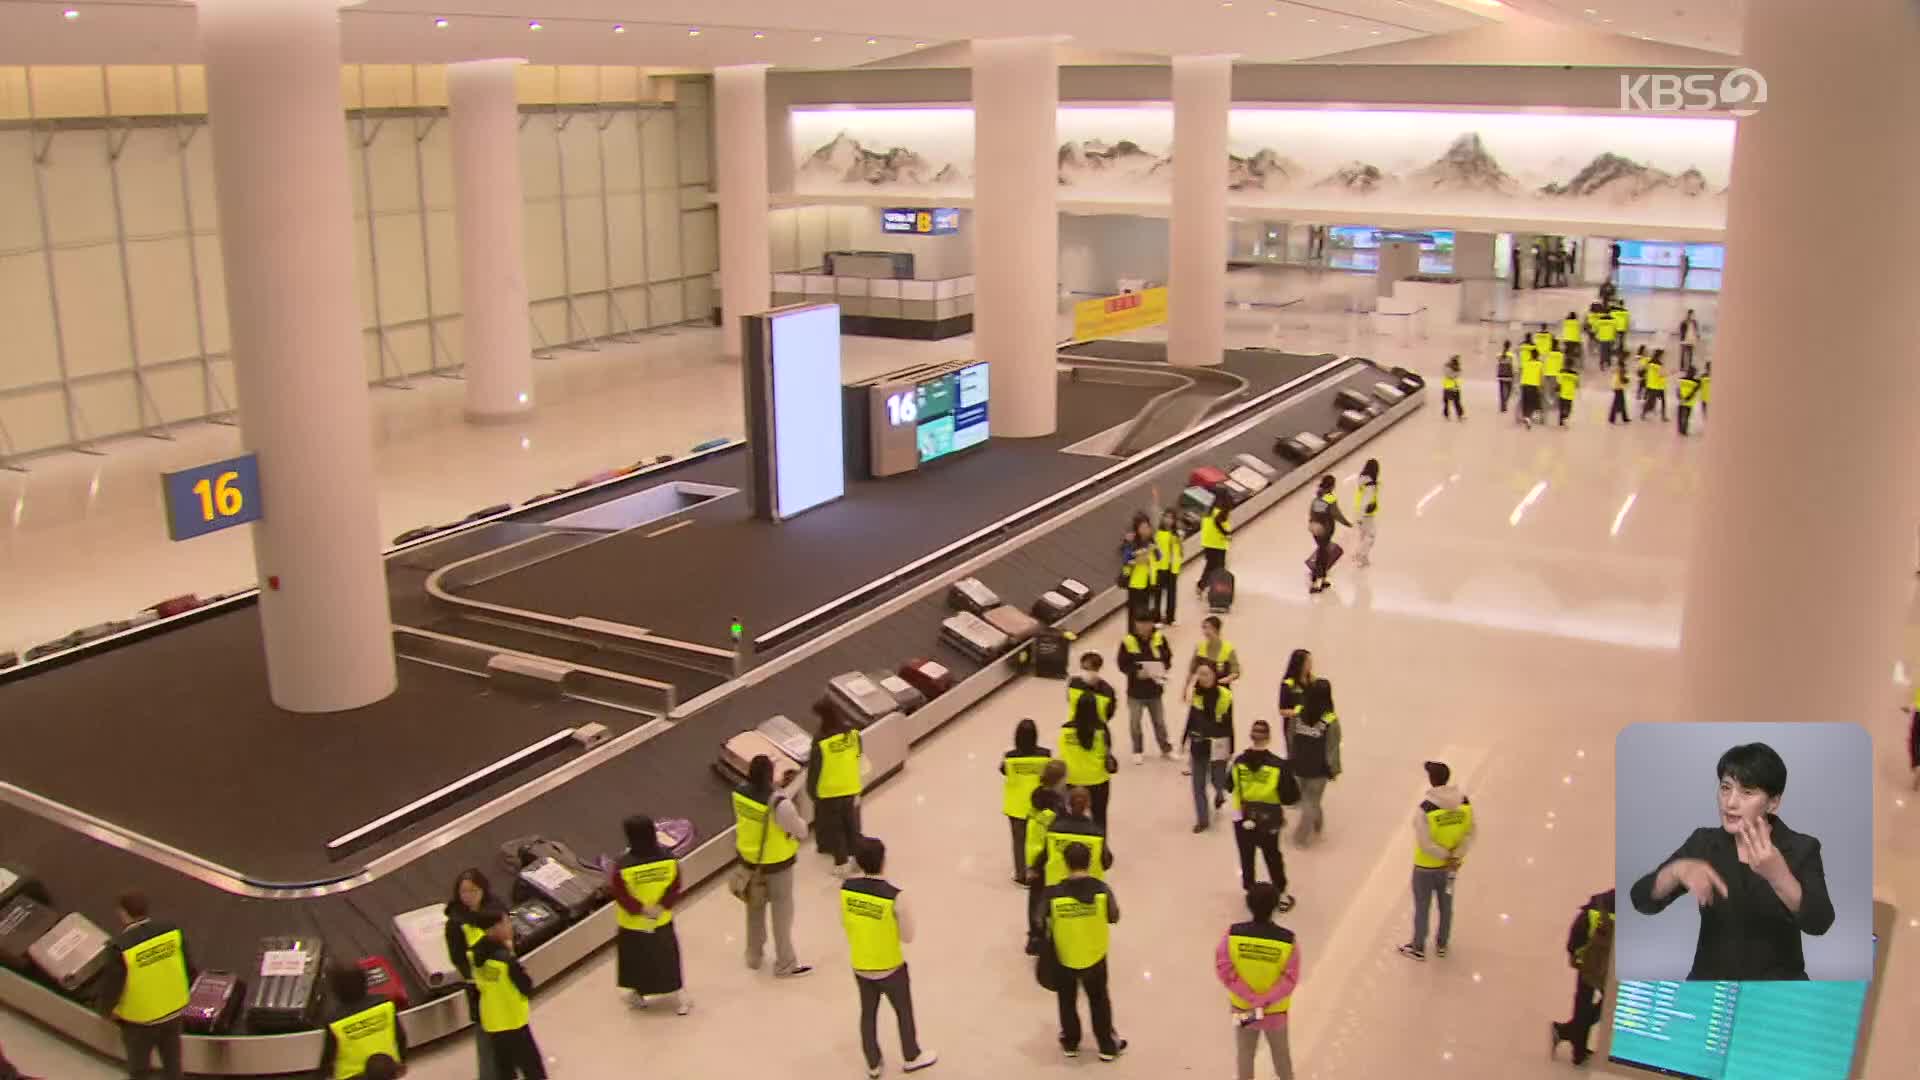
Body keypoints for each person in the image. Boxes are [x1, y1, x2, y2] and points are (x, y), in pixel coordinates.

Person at [1627, 742, 1835, 980]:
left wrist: (1780, 877)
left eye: (1747, 792)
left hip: (1777, 994)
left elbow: (1820, 922)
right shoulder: (1703, 843)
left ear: (1773, 802)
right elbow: (1641, 900)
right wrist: (1675, 871)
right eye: (1726, 788)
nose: (1730, 802)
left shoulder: (1801, 848)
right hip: (1711, 990)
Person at [840, 838, 939, 1076]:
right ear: (883, 861)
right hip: (890, 965)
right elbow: (908, 936)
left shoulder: (845, 890)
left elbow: (845, 923)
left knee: (868, 1014)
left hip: (861, 963)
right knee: (903, 1011)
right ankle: (911, 1055)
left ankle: (873, 1063)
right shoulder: (895, 896)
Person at [95, 891, 190, 1080]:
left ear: (123, 913)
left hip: (141, 1020)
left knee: (139, 1070)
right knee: (173, 1064)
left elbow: (112, 986)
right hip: (173, 1010)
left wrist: (105, 1011)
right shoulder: (171, 931)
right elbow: (188, 965)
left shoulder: (120, 947)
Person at [734, 753, 814, 978]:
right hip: (777, 864)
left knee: (754, 910)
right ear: (771, 775)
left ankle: (754, 955)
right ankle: (785, 963)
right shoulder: (779, 804)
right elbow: (801, 830)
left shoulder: (738, 793)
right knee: (782, 914)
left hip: (750, 862)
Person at [1044, 843, 1126, 1062]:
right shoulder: (1102, 890)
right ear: (1089, 862)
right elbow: (1114, 916)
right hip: (1095, 954)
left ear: (1065, 863)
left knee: (1067, 1000)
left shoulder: (1053, 893)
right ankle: (1106, 1046)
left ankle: (1071, 1042)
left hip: (1065, 955)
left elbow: (1040, 920)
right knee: (1099, 999)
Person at [1216, 884, 1300, 1080]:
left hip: (1243, 1008)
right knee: (1281, 1056)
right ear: (1275, 907)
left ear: (1248, 905)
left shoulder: (1232, 935)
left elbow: (1224, 968)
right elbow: (1290, 978)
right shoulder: (1287, 941)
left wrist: (1251, 998)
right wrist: (1265, 1000)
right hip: (1275, 1012)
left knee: (1245, 1053)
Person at [609, 814, 691, 1015]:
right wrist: (661, 906)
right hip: (661, 919)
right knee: (667, 959)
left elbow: (620, 894)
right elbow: (675, 886)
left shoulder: (623, 865)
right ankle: (680, 997)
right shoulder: (669, 859)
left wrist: (640, 909)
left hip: (633, 923)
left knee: (636, 960)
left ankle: (639, 994)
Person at [1400, 761, 1475, 962]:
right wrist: (1455, 856)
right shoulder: (1465, 804)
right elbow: (1470, 833)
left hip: (1425, 868)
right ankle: (1442, 943)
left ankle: (1418, 946)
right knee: (1446, 905)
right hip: (1450, 869)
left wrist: (1443, 855)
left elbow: (1425, 843)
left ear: (1432, 780)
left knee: (1422, 907)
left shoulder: (1426, 809)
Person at [470, 905, 547, 1079]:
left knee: (504, 1067)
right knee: (532, 1066)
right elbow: (526, 986)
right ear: (494, 928)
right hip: (513, 1020)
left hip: (492, 1020)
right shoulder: (505, 960)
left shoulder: (474, 954)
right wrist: (511, 953)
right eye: (505, 923)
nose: (510, 927)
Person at [1231, 720, 1295, 909]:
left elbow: (1229, 785)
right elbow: (1290, 796)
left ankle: (1251, 891)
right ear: (1268, 738)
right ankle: (1281, 893)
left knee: (1247, 855)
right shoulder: (1278, 765)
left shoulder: (1239, 762)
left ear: (1251, 736)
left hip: (1243, 816)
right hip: (1269, 818)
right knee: (1272, 855)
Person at [1550, 889, 1616, 1067]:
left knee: (1583, 1001)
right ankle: (1568, 1033)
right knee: (1610, 1003)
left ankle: (1576, 1047)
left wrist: (1574, 954)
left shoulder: (1601, 902)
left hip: (1588, 961)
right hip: (1609, 968)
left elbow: (1578, 929)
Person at [443, 868, 498, 1080]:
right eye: (464, 892)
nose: (468, 896)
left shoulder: (494, 911)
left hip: (502, 984)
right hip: (479, 988)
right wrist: (477, 976)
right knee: (485, 1036)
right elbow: (457, 958)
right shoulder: (455, 923)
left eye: (473, 891)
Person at [318, 963, 407, 1079]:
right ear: (365, 982)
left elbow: (328, 1059)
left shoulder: (334, 1021)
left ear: (336, 990)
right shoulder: (386, 1004)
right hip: (385, 1069)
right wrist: (400, 1063)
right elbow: (401, 1038)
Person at [810, 700, 866, 877]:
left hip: (829, 790)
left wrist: (812, 791)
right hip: (850, 785)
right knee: (851, 824)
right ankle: (857, 859)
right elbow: (858, 755)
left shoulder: (821, 740)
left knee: (836, 828)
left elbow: (815, 770)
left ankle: (841, 864)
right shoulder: (853, 734)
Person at [1286, 678, 1342, 847]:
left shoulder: (1298, 714)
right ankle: (1301, 837)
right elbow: (1333, 747)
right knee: (1312, 801)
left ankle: (1315, 826)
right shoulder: (1330, 720)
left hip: (1299, 764)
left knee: (1306, 800)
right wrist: (1333, 769)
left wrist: (1292, 758)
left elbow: (1290, 737)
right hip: (1318, 768)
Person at [1182, 661, 1236, 833]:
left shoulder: (1225, 696)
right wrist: (1184, 739)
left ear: (1214, 675)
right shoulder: (1196, 694)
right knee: (1198, 785)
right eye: (1200, 674)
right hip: (1199, 746)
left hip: (1218, 745)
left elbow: (1228, 723)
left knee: (1217, 780)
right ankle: (1203, 820)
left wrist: (1231, 748)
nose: (1203, 678)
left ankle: (1220, 793)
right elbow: (1191, 717)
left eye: (1206, 674)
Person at [1115, 616, 1174, 765]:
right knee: (1135, 723)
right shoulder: (1128, 641)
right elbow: (1122, 664)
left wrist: (1162, 669)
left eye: (1146, 623)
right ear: (1136, 624)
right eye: (1140, 623)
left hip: (1155, 690)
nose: (1143, 626)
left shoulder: (1160, 638)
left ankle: (1166, 749)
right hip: (1135, 691)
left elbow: (1167, 658)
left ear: (1152, 624)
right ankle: (1137, 750)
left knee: (1159, 722)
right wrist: (1135, 672)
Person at [1001, 718, 1053, 885]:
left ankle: (1021, 875)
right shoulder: (1045, 755)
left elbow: (1003, 770)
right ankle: (1038, 870)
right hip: (1038, 804)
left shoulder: (1010, 757)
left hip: (1016, 804)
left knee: (1019, 840)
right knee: (1039, 838)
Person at [1061, 676, 1117, 827]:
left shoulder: (1065, 729)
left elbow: (1062, 753)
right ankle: (1099, 848)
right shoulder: (1102, 731)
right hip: (1098, 781)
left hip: (1072, 780)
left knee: (1071, 819)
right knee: (1099, 819)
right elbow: (1107, 753)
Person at [1024, 786, 1066, 952]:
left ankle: (1035, 935)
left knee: (1034, 901)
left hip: (1033, 863)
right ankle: (1049, 934)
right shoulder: (1051, 819)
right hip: (1046, 865)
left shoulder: (1033, 816)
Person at [1307, 475, 1352, 595]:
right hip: (1325, 530)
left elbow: (1313, 512)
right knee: (1323, 555)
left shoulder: (1317, 496)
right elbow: (1336, 513)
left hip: (1315, 528)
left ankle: (1322, 578)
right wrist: (1347, 523)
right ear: (1331, 486)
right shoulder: (1329, 498)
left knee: (1323, 551)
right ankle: (1317, 581)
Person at [1121, 512, 1163, 624]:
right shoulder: (1132, 543)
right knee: (1134, 612)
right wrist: (1137, 560)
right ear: (1137, 529)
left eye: (1147, 526)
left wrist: (1153, 550)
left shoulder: (1150, 541)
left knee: (1145, 610)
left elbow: (1159, 557)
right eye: (1142, 527)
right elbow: (1125, 561)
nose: (1146, 530)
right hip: (1135, 583)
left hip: (1149, 581)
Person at [1189, 615, 1241, 689]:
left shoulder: (1228, 649)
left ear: (1217, 629)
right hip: (1201, 691)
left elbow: (1236, 672)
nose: (1205, 631)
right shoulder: (1199, 647)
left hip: (1222, 692)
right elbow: (1191, 670)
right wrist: (1185, 688)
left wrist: (1228, 679)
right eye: (1204, 628)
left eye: (1208, 628)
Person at [1154, 507, 1185, 626]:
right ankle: (1156, 618)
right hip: (1161, 566)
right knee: (1158, 593)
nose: (1168, 520)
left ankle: (1170, 617)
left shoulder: (1177, 534)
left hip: (1173, 567)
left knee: (1172, 593)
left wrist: (1179, 541)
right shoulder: (1158, 534)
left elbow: (1181, 552)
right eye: (1166, 517)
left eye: (1171, 518)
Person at [1198, 500, 1233, 596]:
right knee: (1218, 568)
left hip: (1208, 543)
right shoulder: (1220, 512)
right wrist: (1226, 534)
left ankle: (1202, 586)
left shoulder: (1211, 511)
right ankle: (1214, 590)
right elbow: (1217, 522)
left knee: (1210, 566)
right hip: (1217, 544)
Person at [1353, 459, 1381, 568]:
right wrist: (1362, 514)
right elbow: (1367, 499)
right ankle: (1359, 555)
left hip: (1360, 511)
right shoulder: (1370, 484)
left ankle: (1363, 558)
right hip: (1366, 514)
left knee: (1363, 536)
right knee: (1370, 536)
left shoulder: (1363, 480)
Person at [1517, 343, 1545, 430]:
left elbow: (1521, 374)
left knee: (1525, 404)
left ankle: (1526, 418)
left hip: (1524, 385)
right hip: (1534, 386)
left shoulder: (1526, 363)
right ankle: (1535, 418)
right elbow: (1541, 377)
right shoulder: (1540, 364)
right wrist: (1542, 386)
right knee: (1535, 403)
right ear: (1538, 356)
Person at [1642, 348, 1669, 420]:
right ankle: (1663, 416)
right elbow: (1661, 375)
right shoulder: (1659, 364)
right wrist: (1670, 373)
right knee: (1662, 401)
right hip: (1658, 385)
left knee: (1650, 401)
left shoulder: (1650, 362)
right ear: (1660, 355)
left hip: (1650, 384)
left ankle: (1643, 414)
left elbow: (1645, 370)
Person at [1675, 367, 1701, 436]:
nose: (1690, 373)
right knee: (1683, 416)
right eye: (1690, 371)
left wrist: (1681, 396)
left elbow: (1694, 390)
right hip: (1686, 401)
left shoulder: (1695, 381)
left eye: (1692, 372)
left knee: (1684, 416)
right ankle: (1682, 430)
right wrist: (1680, 396)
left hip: (1686, 401)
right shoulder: (1695, 382)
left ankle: (1683, 430)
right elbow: (1678, 389)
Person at [1607, 359, 1633, 425]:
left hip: (1616, 387)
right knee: (1617, 403)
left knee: (1620, 403)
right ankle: (1612, 418)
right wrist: (1627, 380)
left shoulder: (1617, 369)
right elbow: (1622, 379)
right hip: (1619, 387)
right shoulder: (1621, 369)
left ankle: (1623, 418)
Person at [1440, 356, 1464, 420]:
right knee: (1452, 402)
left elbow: (1453, 375)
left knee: (1453, 402)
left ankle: (1458, 414)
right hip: (1451, 387)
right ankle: (1448, 414)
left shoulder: (1450, 368)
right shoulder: (1451, 368)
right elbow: (1452, 376)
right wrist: (1455, 372)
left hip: (1451, 387)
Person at [1495, 341, 1515, 414]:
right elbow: (1513, 365)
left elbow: (1497, 358)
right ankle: (1505, 403)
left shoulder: (1499, 355)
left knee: (1501, 392)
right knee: (1509, 391)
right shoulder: (1511, 355)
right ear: (1509, 346)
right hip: (1508, 375)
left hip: (1500, 375)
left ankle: (1503, 407)